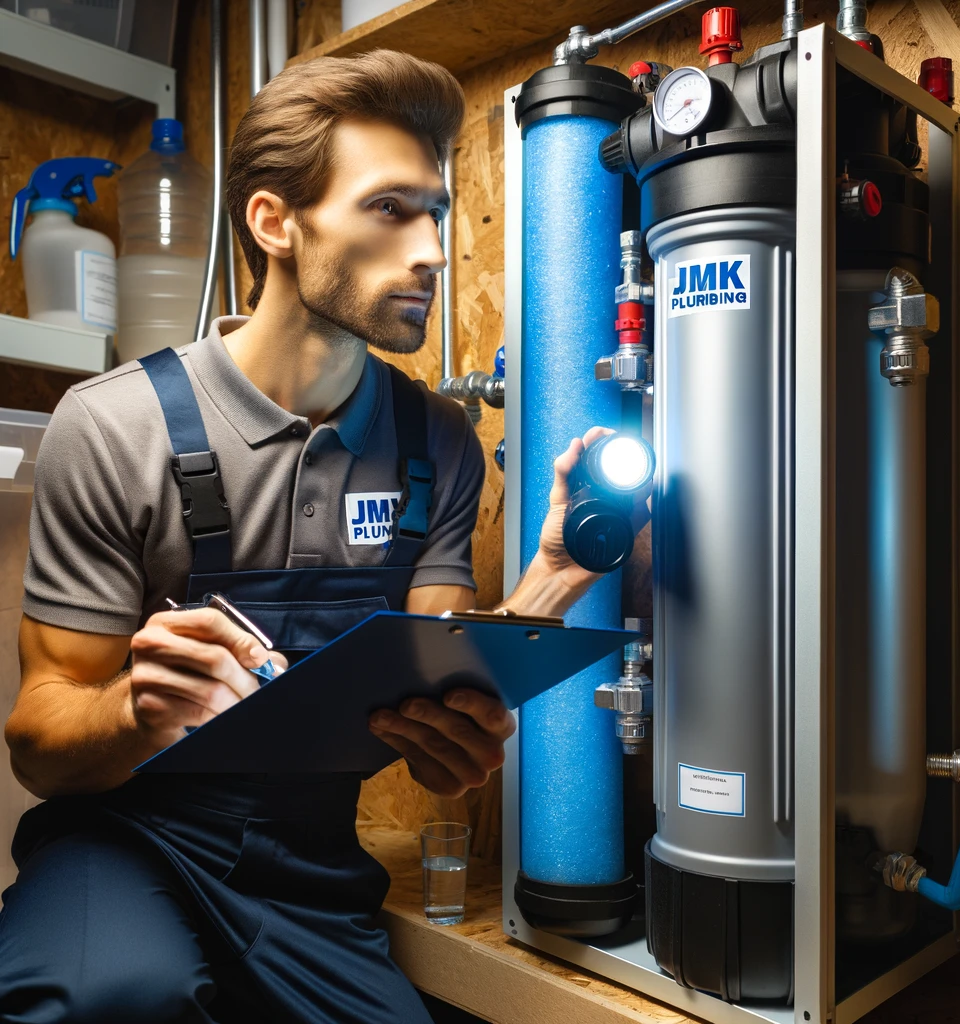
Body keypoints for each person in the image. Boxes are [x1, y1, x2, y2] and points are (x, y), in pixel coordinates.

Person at [0, 50, 638, 1024]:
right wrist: (139, 708)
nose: (431, 248)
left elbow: (435, 710)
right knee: (114, 996)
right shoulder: (113, 424)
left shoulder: (438, 444)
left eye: (433, 211)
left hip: (309, 878)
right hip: (122, 843)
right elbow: (40, 744)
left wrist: (550, 581)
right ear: (275, 223)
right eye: (389, 209)